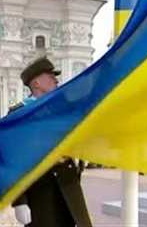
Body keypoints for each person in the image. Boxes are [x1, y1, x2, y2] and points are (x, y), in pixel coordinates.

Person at [11, 56, 92, 227]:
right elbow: (13, 160)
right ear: (36, 83)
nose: (56, 80)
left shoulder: (63, 109)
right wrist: (19, 200)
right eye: (50, 76)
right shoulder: (19, 113)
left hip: (68, 184)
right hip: (39, 190)